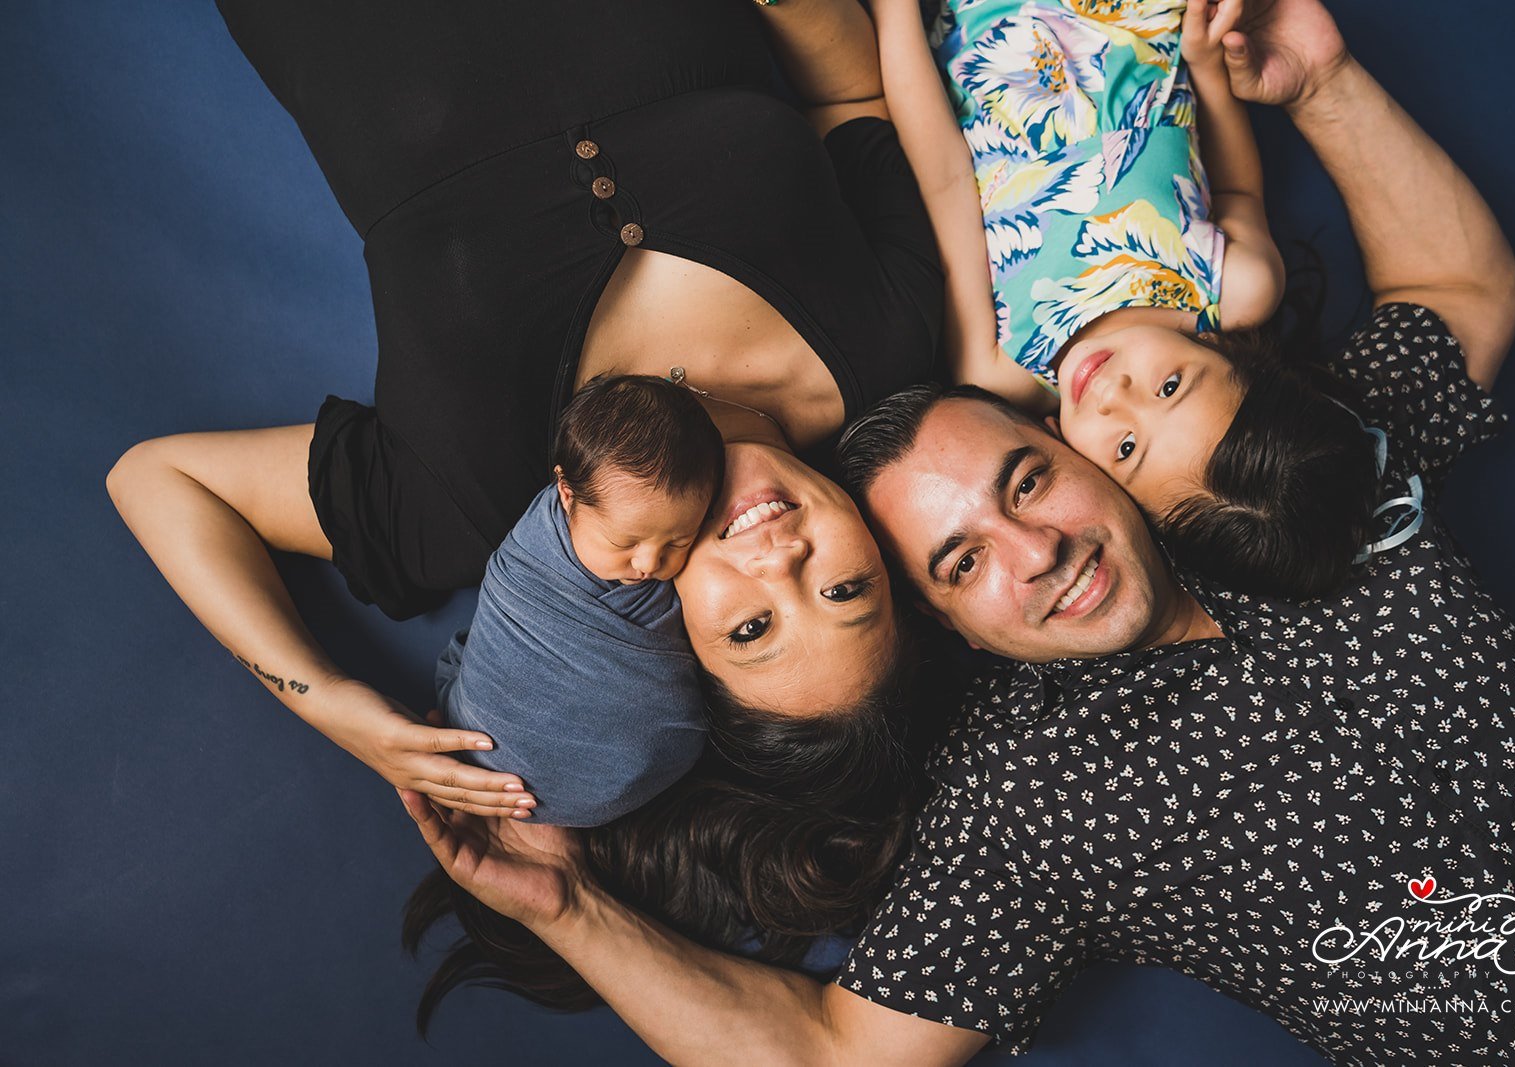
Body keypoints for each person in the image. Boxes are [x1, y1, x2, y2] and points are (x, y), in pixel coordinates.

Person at [403, 2, 1515, 1063]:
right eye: (960, 560)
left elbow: (1462, 295)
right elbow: (842, 1055)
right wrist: (575, 915)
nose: (1036, 554)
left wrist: (1328, 86)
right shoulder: (1024, 790)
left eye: (1026, 482)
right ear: (941, 622)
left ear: (1092, 459)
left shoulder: (1262, 483)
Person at [105, 0, 943, 818]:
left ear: (681, 642)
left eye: (753, 629)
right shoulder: (884, 347)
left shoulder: (466, 505)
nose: (782, 562)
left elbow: (158, 479)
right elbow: (849, 102)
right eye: (844, 588)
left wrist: (320, 698)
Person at [872, 0, 1380, 599]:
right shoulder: (1232, 286)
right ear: (1229, 353)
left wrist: (894, 15)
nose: (1115, 396)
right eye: (1170, 386)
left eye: (1126, 448)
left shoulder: (1002, 366)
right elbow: (1237, 185)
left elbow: (943, 175)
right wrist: (1208, 68)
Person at [435, 375, 723, 828]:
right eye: (624, 541)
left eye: (680, 539)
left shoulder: (650, 547)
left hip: (604, 797)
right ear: (567, 494)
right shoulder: (533, 551)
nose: (649, 563)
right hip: (481, 743)